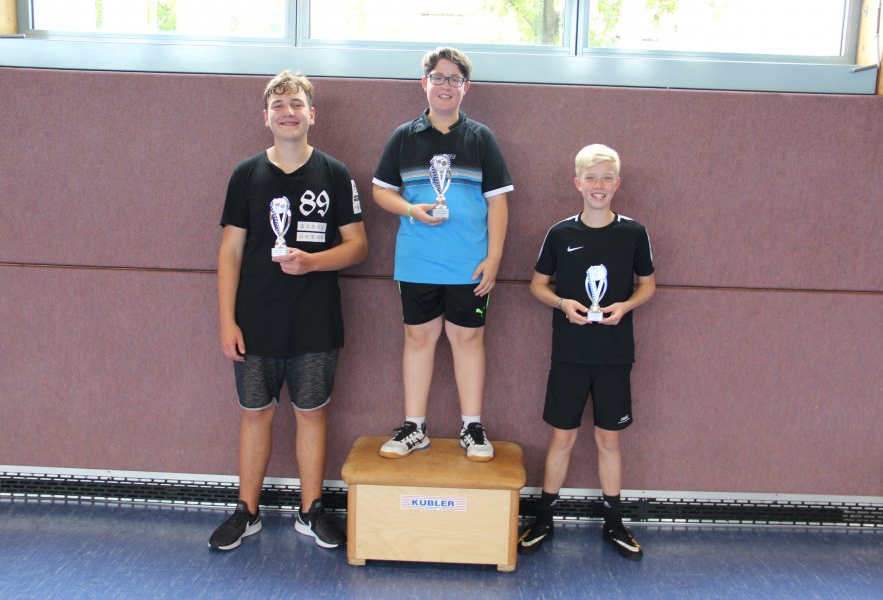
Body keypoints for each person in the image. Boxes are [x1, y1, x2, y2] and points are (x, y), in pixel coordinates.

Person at [209, 71, 368, 551]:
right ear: (266, 117)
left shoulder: (335, 174)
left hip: (314, 323)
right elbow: (230, 252)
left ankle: (310, 511)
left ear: (311, 114)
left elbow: (358, 246)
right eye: (278, 106)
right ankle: (247, 511)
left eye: (296, 104)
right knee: (255, 415)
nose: (288, 112)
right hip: (255, 322)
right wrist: (227, 320)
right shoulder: (245, 175)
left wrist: (312, 262)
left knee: (312, 415)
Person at [372, 47, 513, 462]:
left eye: (454, 79)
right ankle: (415, 427)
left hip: (470, 263)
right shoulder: (404, 136)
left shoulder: (481, 138)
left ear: (466, 87)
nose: (445, 86)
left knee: (468, 339)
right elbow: (381, 191)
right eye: (438, 77)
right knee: (418, 338)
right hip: (418, 261)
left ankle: (472, 426)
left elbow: (499, 202)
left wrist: (494, 258)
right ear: (425, 83)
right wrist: (410, 210)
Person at [519, 144, 655, 559]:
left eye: (606, 177)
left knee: (609, 440)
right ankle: (544, 518)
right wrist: (563, 303)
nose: (599, 185)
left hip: (614, 354)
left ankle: (614, 523)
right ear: (577, 183)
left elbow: (648, 285)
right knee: (561, 438)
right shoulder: (560, 233)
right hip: (570, 353)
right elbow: (537, 285)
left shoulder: (634, 233)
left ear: (618, 183)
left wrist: (625, 307)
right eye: (591, 177)